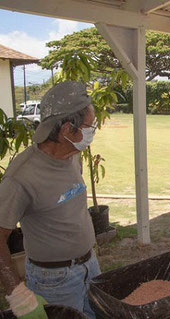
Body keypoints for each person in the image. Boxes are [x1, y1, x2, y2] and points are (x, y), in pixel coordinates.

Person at [0, 81, 101, 319]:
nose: (93, 131)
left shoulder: (72, 155)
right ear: (67, 129)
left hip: (90, 265)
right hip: (54, 280)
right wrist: (18, 295)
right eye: (90, 125)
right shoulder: (21, 176)